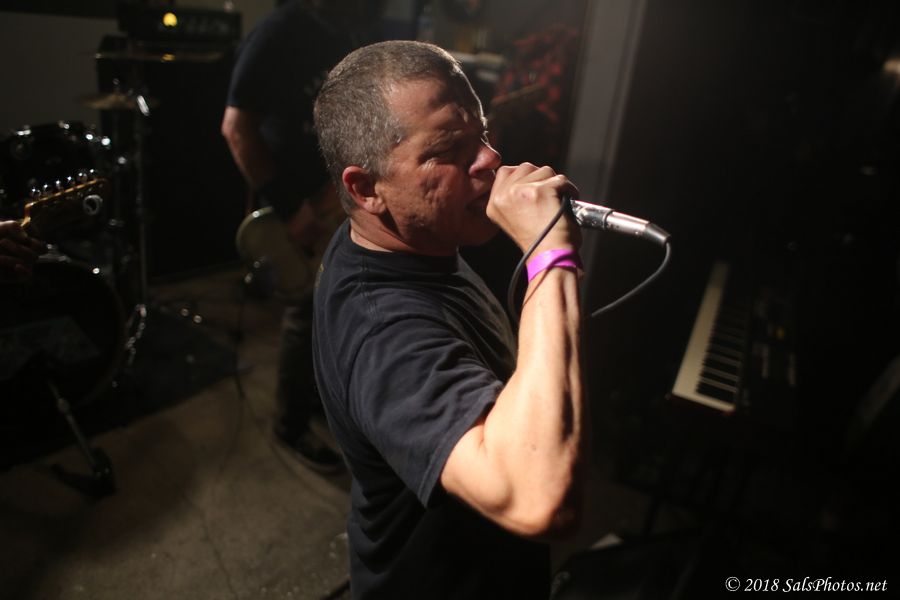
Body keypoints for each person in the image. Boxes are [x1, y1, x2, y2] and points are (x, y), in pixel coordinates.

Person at [312, 40, 587, 598]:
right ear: (366, 189)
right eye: (448, 150)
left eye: (482, 135)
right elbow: (537, 499)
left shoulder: (414, 238)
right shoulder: (384, 332)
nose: (489, 160)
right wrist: (550, 255)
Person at [221, 0, 380, 473]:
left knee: (338, 307)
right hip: (294, 202)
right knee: (306, 313)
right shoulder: (279, 31)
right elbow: (236, 128)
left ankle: (320, 402)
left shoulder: (350, 27)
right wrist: (291, 209)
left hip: (336, 195)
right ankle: (289, 425)